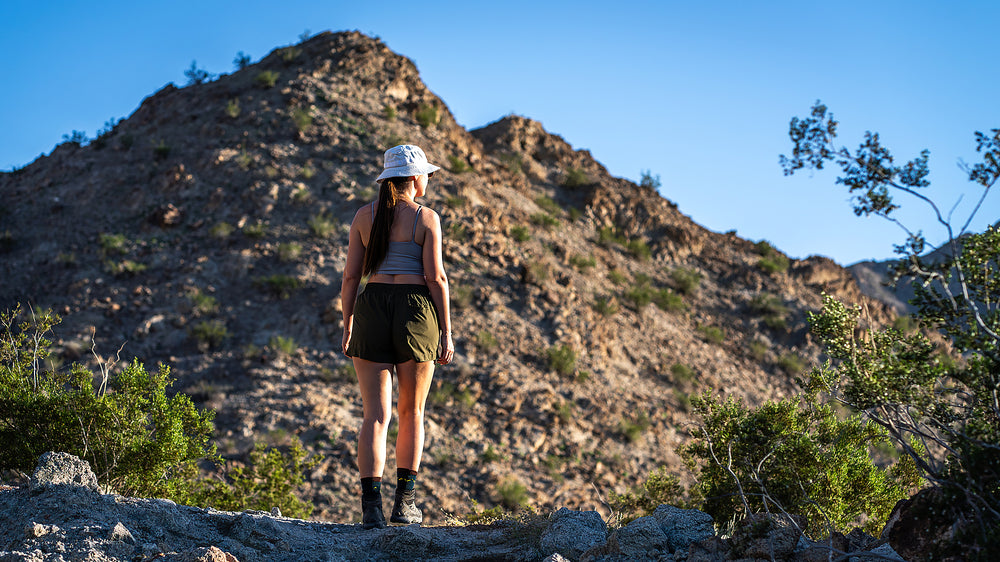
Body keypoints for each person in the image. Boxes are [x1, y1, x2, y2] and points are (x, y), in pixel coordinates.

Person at [341, 144, 454, 529]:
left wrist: (348, 322)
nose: (428, 181)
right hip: (415, 310)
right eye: (427, 175)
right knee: (412, 412)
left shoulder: (363, 216)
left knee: (375, 415)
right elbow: (436, 278)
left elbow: (351, 277)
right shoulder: (426, 217)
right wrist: (446, 332)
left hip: (371, 306)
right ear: (415, 179)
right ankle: (404, 505)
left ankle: (370, 508)